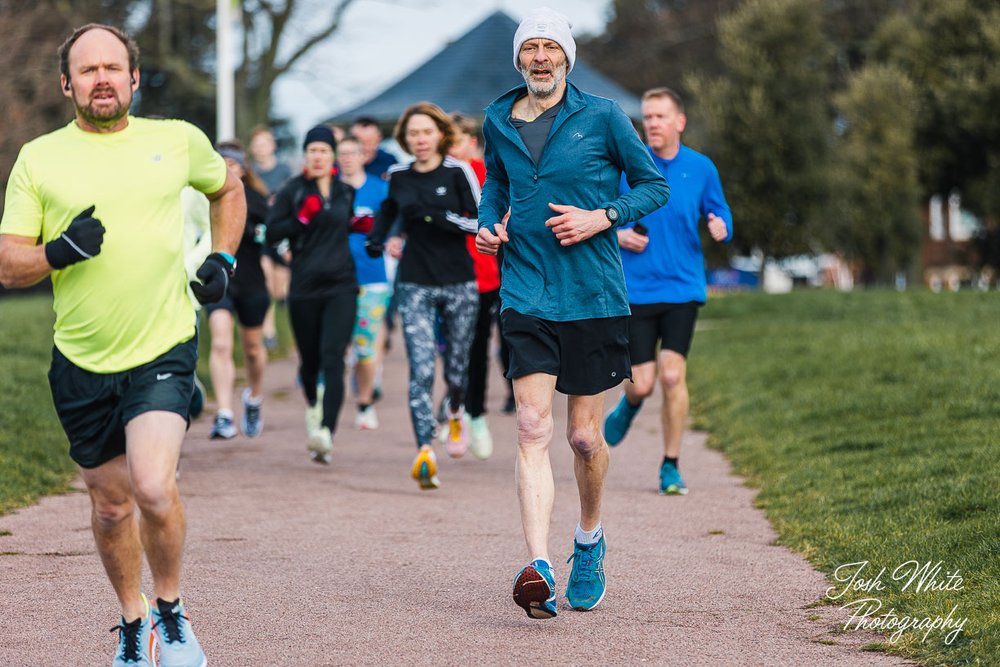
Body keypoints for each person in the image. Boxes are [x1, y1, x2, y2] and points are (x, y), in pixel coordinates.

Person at [0, 23, 245, 667]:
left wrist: (223, 255)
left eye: (113, 67)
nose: (101, 78)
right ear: (66, 84)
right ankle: (133, 621)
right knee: (111, 508)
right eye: (88, 70)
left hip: (163, 345)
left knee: (153, 486)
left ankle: (171, 611)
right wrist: (60, 251)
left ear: (135, 78)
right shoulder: (39, 158)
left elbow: (228, 189)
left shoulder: (177, 140)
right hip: (80, 359)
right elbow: (9, 264)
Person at [475, 8, 669, 619]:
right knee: (532, 427)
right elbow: (496, 188)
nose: (539, 57)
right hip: (526, 291)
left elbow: (652, 185)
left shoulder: (604, 116)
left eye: (548, 48)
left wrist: (601, 217)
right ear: (518, 59)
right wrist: (488, 224)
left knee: (584, 437)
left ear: (567, 57)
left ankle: (588, 540)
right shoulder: (497, 119)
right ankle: (537, 566)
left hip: (592, 295)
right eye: (528, 48)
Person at [603, 87, 732, 495]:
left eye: (660, 116)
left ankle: (670, 466)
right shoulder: (627, 167)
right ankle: (631, 403)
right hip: (636, 289)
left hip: (682, 286)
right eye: (647, 117)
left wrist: (720, 225)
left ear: (680, 122)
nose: (652, 124)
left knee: (673, 376)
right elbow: (600, 215)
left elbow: (719, 210)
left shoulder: (702, 167)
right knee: (643, 383)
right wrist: (620, 234)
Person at [366, 102, 481, 490]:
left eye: (426, 132)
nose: (419, 139)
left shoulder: (458, 171)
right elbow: (388, 213)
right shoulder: (398, 176)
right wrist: (378, 238)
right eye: (413, 133)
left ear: (440, 136)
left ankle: (454, 410)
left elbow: (480, 220)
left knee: (455, 368)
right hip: (414, 282)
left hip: (459, 283)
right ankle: (424, 450)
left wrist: (438, 217)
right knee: (421, 369)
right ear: (404, 138)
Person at [266, 125, 357, 465]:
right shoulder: (292, 191)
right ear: (305, 155)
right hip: (304, 287)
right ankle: (313, 405)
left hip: (342, 285)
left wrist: (365, 229)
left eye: (324, 150)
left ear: (333, 155)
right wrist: (300, 221)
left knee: (334, 357)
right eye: (312, 150)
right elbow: (271, 235)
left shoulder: (345, 191)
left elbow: (347, 225)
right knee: (310, 363)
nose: (318, 156)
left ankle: (326, 433)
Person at [205, 142, 272, 440]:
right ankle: (224, 413)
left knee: (254, 350)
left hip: (252, 283)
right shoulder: (202, 198)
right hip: (219, 281)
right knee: (220, 344)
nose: (227, 169)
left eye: (232, 164)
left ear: (243, 169)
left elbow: (272, 240)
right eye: (221, 163)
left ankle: (254, 398)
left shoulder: (257, 200)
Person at [448, 111, 502, 460]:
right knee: (451, 351)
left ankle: (477, 415)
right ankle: (455, 409)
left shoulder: (486, 174)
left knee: (479, 349)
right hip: (446, 276)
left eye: (453, 142)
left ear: (471, 142)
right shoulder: (439, 175)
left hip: (485, 276)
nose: (449, 150)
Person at [337, 135, 391, 430]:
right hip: (334, 278)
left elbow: (394, 225)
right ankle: (325, 402)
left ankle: (365, 402)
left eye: (351, 153)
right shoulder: (329, 190)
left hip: (372, 279)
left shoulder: (380, 190)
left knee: (365, 346)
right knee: (335, 346)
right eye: (341, 153)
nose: (346, 158)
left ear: (362, 156)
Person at [249, 125, 293, 351]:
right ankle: (269, 331)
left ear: (273, 146)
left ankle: (283, 299)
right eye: (257, 145)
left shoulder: (285, 172)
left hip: (281, 231)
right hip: (260, 233)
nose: (261, 149)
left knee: (279, 287)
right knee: (264, 280)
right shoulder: (250, 173)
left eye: (265, 144)